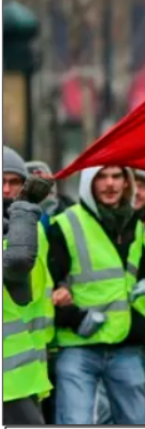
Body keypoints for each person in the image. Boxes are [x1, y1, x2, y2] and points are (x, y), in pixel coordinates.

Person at [46, 165, 145, 425]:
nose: (110, 184)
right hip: (78, 345)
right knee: (75, 422)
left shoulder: (136, 226)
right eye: (102, 177)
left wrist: (142, 319)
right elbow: (45, 288)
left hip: (125, 345)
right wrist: (74, 318)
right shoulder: (65, 225)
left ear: (127, 182)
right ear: (89, 183)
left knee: (140, 421)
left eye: (116, 176)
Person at [3, 155, 54, 425]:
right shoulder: (24, 223)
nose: (6, 190)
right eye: (1, 182)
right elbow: (17, 262)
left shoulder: (34, 230)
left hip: (27, 366)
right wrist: (23, 211)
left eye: (14, 182)